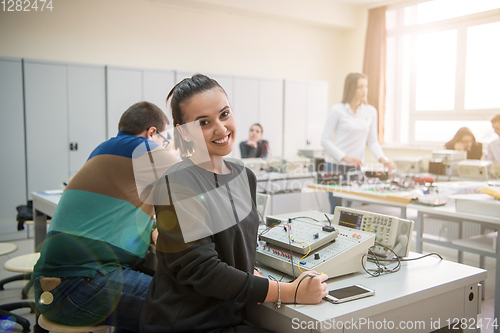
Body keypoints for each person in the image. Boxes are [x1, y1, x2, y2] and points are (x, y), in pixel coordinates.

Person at [140, 74, 328, 333]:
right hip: (187, 323)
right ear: (183, 131)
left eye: (224, 114)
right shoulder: (177, 183)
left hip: (230, 315)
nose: (220, 128)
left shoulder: (244, 177)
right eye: (204, 122)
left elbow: (237, 246)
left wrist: (251, 272)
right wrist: (289, 292)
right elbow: (204, 271)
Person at [32, 101, 177, 332]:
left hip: (58, 286)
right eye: (164, 139)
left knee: (143, 320)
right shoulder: (139, 146)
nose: (165, 147)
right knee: (184, 307)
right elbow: (194, 177)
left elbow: (119, 216)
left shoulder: (106, 149)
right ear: (152, 133)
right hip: (79, 284)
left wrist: (152, 229)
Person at [320, 73, 391, 214]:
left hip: (354, 169)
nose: (365, 90)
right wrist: (345, 158)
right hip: (334, 166)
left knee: (347, 211)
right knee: (337, 210)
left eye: (366, 86)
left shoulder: (371, 111)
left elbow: (372, 141)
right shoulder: (337, 110)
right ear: (351, 88)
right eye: (360, 87)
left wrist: (383, 160)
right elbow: (324, 140)